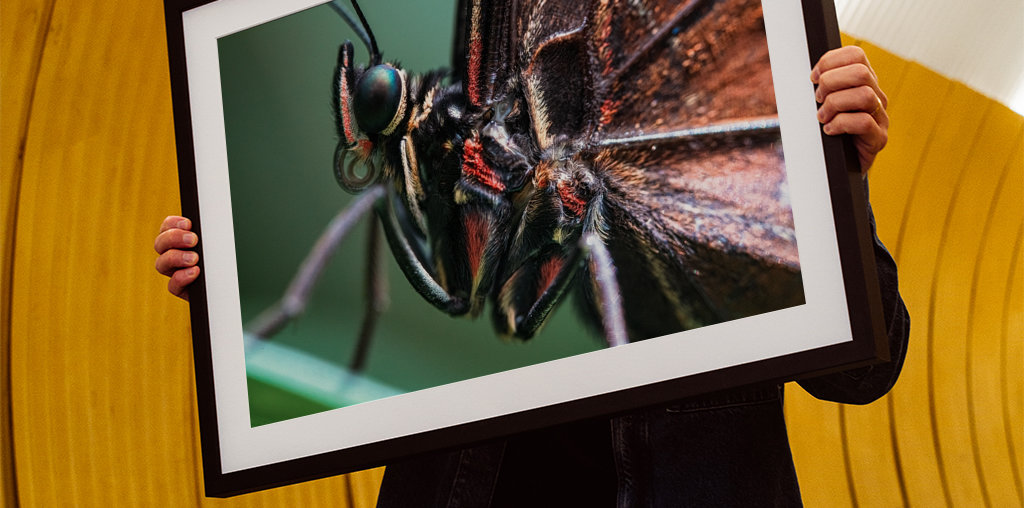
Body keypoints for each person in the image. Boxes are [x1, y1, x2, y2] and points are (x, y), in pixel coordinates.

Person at [155, 46, 908, 506]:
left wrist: (835, 180)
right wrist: (227, 267)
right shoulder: (444, 169)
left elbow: (865, 370)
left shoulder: (712, 169)